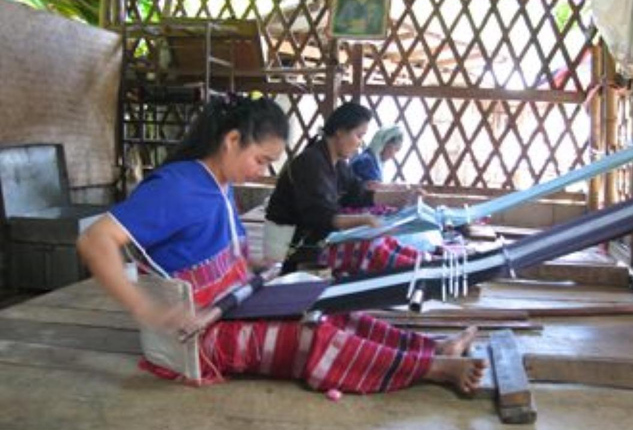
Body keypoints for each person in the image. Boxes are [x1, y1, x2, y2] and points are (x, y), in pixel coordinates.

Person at [77, 96, 486, 392]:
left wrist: (254, 267)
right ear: (232, 140)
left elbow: (208, 249)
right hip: (199, 335)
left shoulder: (218, 186)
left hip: (233, 306)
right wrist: (144, 306)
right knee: (313, 338)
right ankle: (432, 368)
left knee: (327, 308)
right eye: (260, 159)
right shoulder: (178, 186)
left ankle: (433, 347)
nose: (263, 170)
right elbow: (95, 241)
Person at [264, 103, 420, 275]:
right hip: (292, 245)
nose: (360, 143)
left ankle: (422, 264)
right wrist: (364, 220)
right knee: (370, 244)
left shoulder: (337, 164)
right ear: (340, 131)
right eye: (359, 135)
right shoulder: (311, 162)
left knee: (378, 238)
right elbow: (320, 216)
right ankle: (414, 270)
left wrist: (403, 196)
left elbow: (359, 194)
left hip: (313, 236)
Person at [350, 124, 404, 189]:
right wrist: (396, 187)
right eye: (395, 149)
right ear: (384, 143)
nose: (393, 155)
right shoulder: (366, 161)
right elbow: (371, 188)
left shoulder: (373, 161)